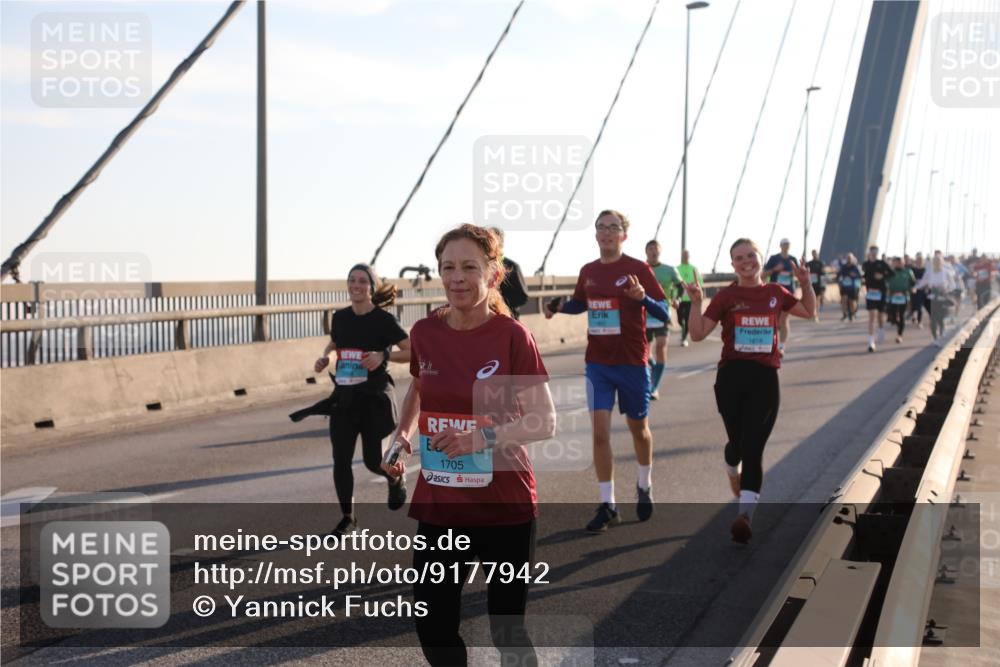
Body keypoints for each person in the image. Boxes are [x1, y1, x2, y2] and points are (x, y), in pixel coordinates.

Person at [382, 224, 556, 667]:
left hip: (505, 505)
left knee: (506, 632)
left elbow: (544, 420)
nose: (457, 277)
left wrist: (479, 438)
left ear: (493, 274)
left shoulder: (512, 336)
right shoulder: (425, 332)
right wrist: (402, 434)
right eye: (448, 267)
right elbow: (419, 386)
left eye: (469, 267)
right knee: (434, 627)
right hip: (442, 503)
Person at [544, 210, 669, 532]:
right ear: (596, 234)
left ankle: (644, 483)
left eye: (614, 227)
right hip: (598, 363)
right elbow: (580, 303)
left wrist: (643, 298)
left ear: (624, 235)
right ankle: (608, 504)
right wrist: (559, 306)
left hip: (632, 362)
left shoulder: (637, 269)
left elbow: (665, 312)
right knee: (599, 433)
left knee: (638, 429)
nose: (607, 232)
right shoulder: (588, 271)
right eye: (602, 227)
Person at [684, 238, 815, 543]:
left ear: (760, 258)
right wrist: (696, 303)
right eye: (739, 258)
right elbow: (698, 333)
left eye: (750, 256)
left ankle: (745, 516)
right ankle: (732, 465)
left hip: (765, 379)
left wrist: (806, 284)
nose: (746, 262)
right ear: (733, 264)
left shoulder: (775, 293)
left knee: (754, 447)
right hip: (731, 378)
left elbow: (808, 311)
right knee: (738, 446)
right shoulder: (727, 296)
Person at [314, 263, 412, 537]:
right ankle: (349, 519)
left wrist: (384, 356)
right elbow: (335, 342)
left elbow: (412, 351)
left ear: (372, 287)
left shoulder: (383, 320)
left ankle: (395, 477)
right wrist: (326, 357)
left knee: (373, 461)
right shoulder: (341, 317)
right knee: (341, 459)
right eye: (352, 280)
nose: (356, 285)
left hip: (374, 397)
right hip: (345, 398)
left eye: (362, 281)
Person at [644, 239, 682, 400]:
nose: (653, 251)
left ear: (660, 251)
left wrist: (677, 299)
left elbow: (680, 286)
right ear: (646, 252)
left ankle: (654, 387)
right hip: (644, 315)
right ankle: (653, 368)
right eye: (650, 249)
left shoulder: (669, 270)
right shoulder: (640, 269)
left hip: (662, 314)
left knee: (661, 347)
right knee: (645, 353)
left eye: (656, 249)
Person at [764, 238, 800, 357]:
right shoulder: (774, 258)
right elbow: (763, 274)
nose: (786, 246)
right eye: (784, 244)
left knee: (784, 319)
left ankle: (781, 346)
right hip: (774, 293)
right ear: (780, 246)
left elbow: (798, 274)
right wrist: (775, 269)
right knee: (774, 320)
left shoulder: (793, 259)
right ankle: (772, 344)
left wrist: (794, 273)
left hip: (789, 292)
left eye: (788, 244)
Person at [915, 253, 960, 344]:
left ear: (942, 262)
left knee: (941, 318)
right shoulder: (929, 272)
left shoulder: (945, 272)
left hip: (942, 297)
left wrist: (946, 290)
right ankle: (935, 337)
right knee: (933, 318)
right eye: (935, 261)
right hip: (932, 297)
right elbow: (923, 282)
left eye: (939, 261)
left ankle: (941, 334)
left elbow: (952, 285)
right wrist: (915, 288)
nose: (937, 263)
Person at [489, 227, 530, 320]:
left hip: (509, 319)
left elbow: (523, 296)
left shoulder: (512, 266)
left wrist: (498, 302)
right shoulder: (482, 266)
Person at [861, 245, 894, 352]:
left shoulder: (882, 263)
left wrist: (883, 276)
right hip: (870, 293)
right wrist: (863, 280)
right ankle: (871, 342)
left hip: (881, 292)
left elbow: (892, 273)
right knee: (872, 317)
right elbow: (863, 275)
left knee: (880, 317)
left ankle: (881, 329)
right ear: (869, 252)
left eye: (876, 251)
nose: (874, 253)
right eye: (872, 251)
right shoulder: (865, 264)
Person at [885, 256, 916, 343]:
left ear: (903, 263)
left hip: (903, 295)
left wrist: (913, 289)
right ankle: (895, 320)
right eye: (896, 262)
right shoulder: (890, 272)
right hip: (892, 295)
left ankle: (899, 335)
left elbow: (913, 282)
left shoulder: (908, 271)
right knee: (892, 315)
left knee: (901, 315)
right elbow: (885, 281)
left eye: (900, 262)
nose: (898, 264)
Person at [676, 249, 703, 347]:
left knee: (687, 320)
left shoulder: (694, 268)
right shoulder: (677, 268)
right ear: (681, 256)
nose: (685, 257)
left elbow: (699, 281)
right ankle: (683, 331)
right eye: (684, 255)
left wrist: (695, 286)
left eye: (687, 255)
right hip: (680, 298)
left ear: (689, 256)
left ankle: (684, 338)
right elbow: (674, 282)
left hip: (690, 299)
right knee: (680, 320)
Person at [836, 254, 862, 322]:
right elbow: (838, 275)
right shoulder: (843, 267)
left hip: (852, 287)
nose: (849, 259)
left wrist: (854, 276)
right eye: (848, 258)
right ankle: (845, 315)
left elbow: (859, 276)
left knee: (852, 302)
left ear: (852, 259)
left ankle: (852, 314)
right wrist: (839, 282)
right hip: (844, 286)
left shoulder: (855, 267)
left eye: (850, 258)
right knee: (844, 300)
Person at [806, 249, 825, 320]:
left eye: (815, 253)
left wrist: (823, 286)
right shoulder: (808, 263)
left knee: (817, 299)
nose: (814, 255)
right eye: (813, 253)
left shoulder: (821, 263)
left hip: (818, 284)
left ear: (817, 254)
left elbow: (823, 275)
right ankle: (812, 314)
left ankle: (816, 314)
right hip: (810, 284)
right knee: (811, 300)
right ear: (812, 254)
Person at [910, 253, 927, 328]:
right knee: (913, 306)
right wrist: (914, 282)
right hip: (914, 289)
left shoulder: (925, 270)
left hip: (922, 290)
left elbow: (927, 280)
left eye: (921, 260)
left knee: (920, 306)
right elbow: (910, 279)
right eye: (918, 260)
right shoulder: (912, 269)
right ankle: (913, 316)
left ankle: (919, 322)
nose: (919, 262)